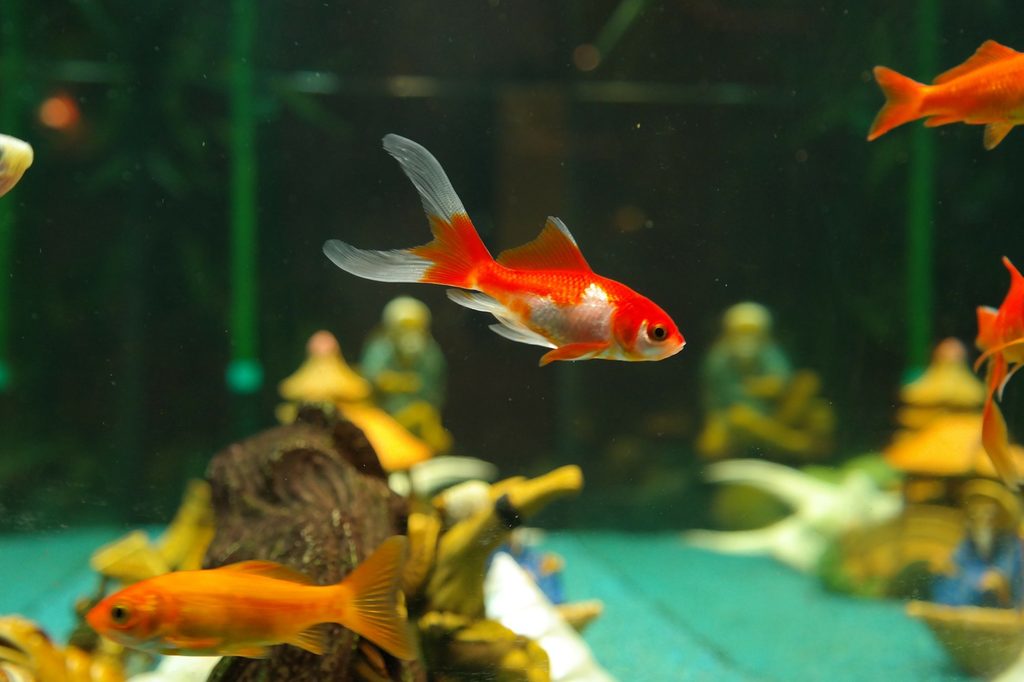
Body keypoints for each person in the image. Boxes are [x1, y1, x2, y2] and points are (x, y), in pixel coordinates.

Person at [697, 302, 833, 460]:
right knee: (715, 441)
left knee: (817, 404)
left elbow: (782, 384)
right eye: (740, 331)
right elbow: (719, 401)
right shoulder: (717, 360)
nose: (746, 337)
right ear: (728, 333)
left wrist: (767, 389)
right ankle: (797, 446)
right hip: (735, 418)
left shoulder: (770, 352)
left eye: (753, 332)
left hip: (775, 413)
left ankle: (796, 450)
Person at [361, 296, 451, 452]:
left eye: (416, 327)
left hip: (415, 418)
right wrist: (397, 383)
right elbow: (370, 381)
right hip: (382, 418)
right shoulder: (380, 348)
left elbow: (433, 393)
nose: (410, 333)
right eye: (404, 327)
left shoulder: (431, 354)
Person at [933, 479, 1024, 609]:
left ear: (999, 515)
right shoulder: (969, 542)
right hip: (970, 590)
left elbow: (1005, 571)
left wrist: (996, 578)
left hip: (1002, 600)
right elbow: (959, 563)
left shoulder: (1010, 543)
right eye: (975, 511)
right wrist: (946, 566)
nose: (981, 516)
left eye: (987, 511)